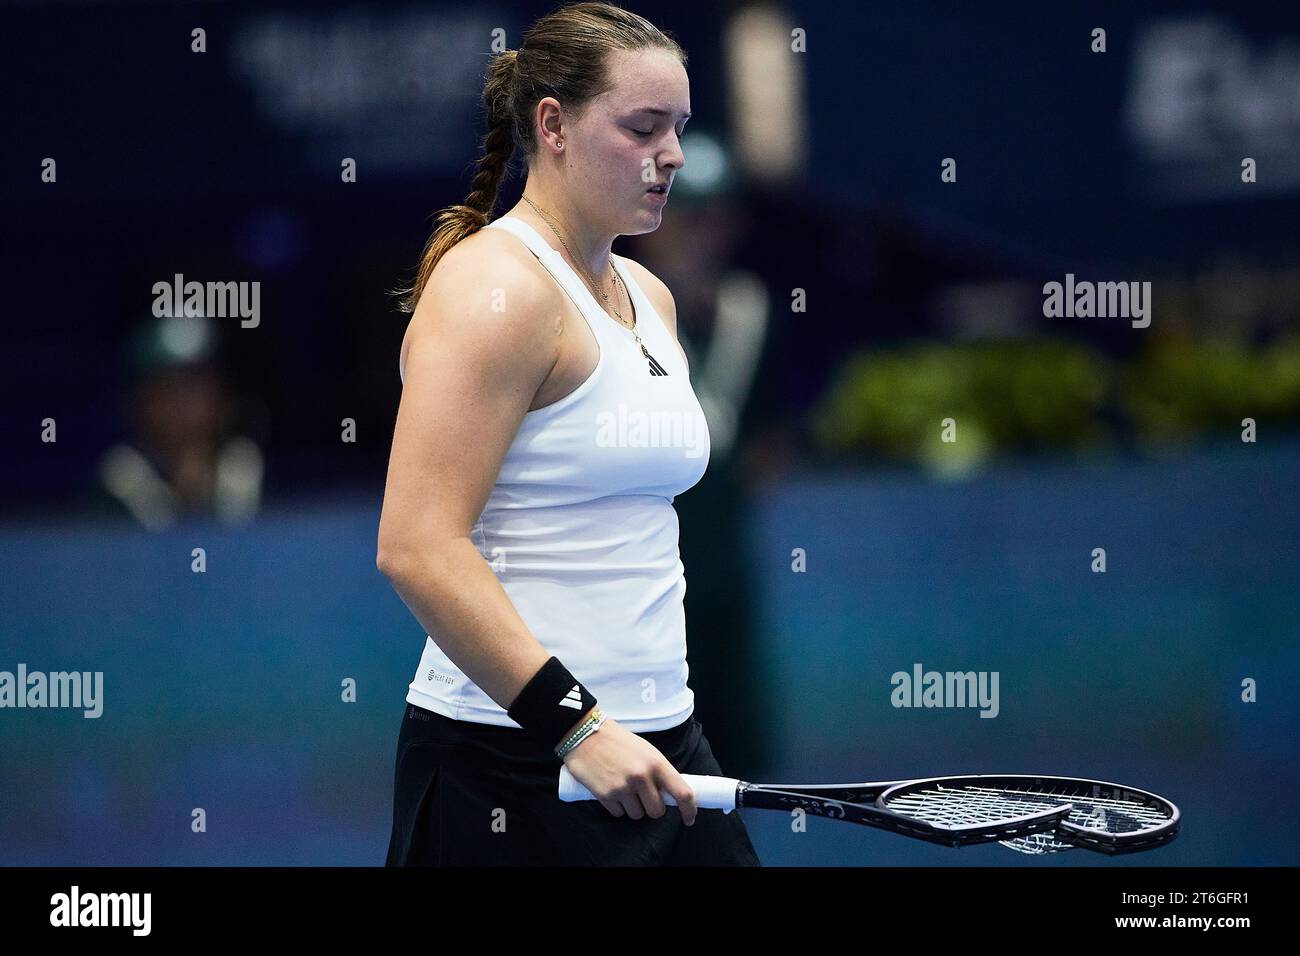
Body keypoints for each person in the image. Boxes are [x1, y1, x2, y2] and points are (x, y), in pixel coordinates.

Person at [377, 1, 760, 865]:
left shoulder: (649, 299)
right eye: (643, 127)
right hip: (509, 763)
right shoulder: (490, 294)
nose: (673, 156)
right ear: (552, 125)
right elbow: (416, 546)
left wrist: (622, 728)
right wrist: (577, 726)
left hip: (662, 743)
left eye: (681, 128)